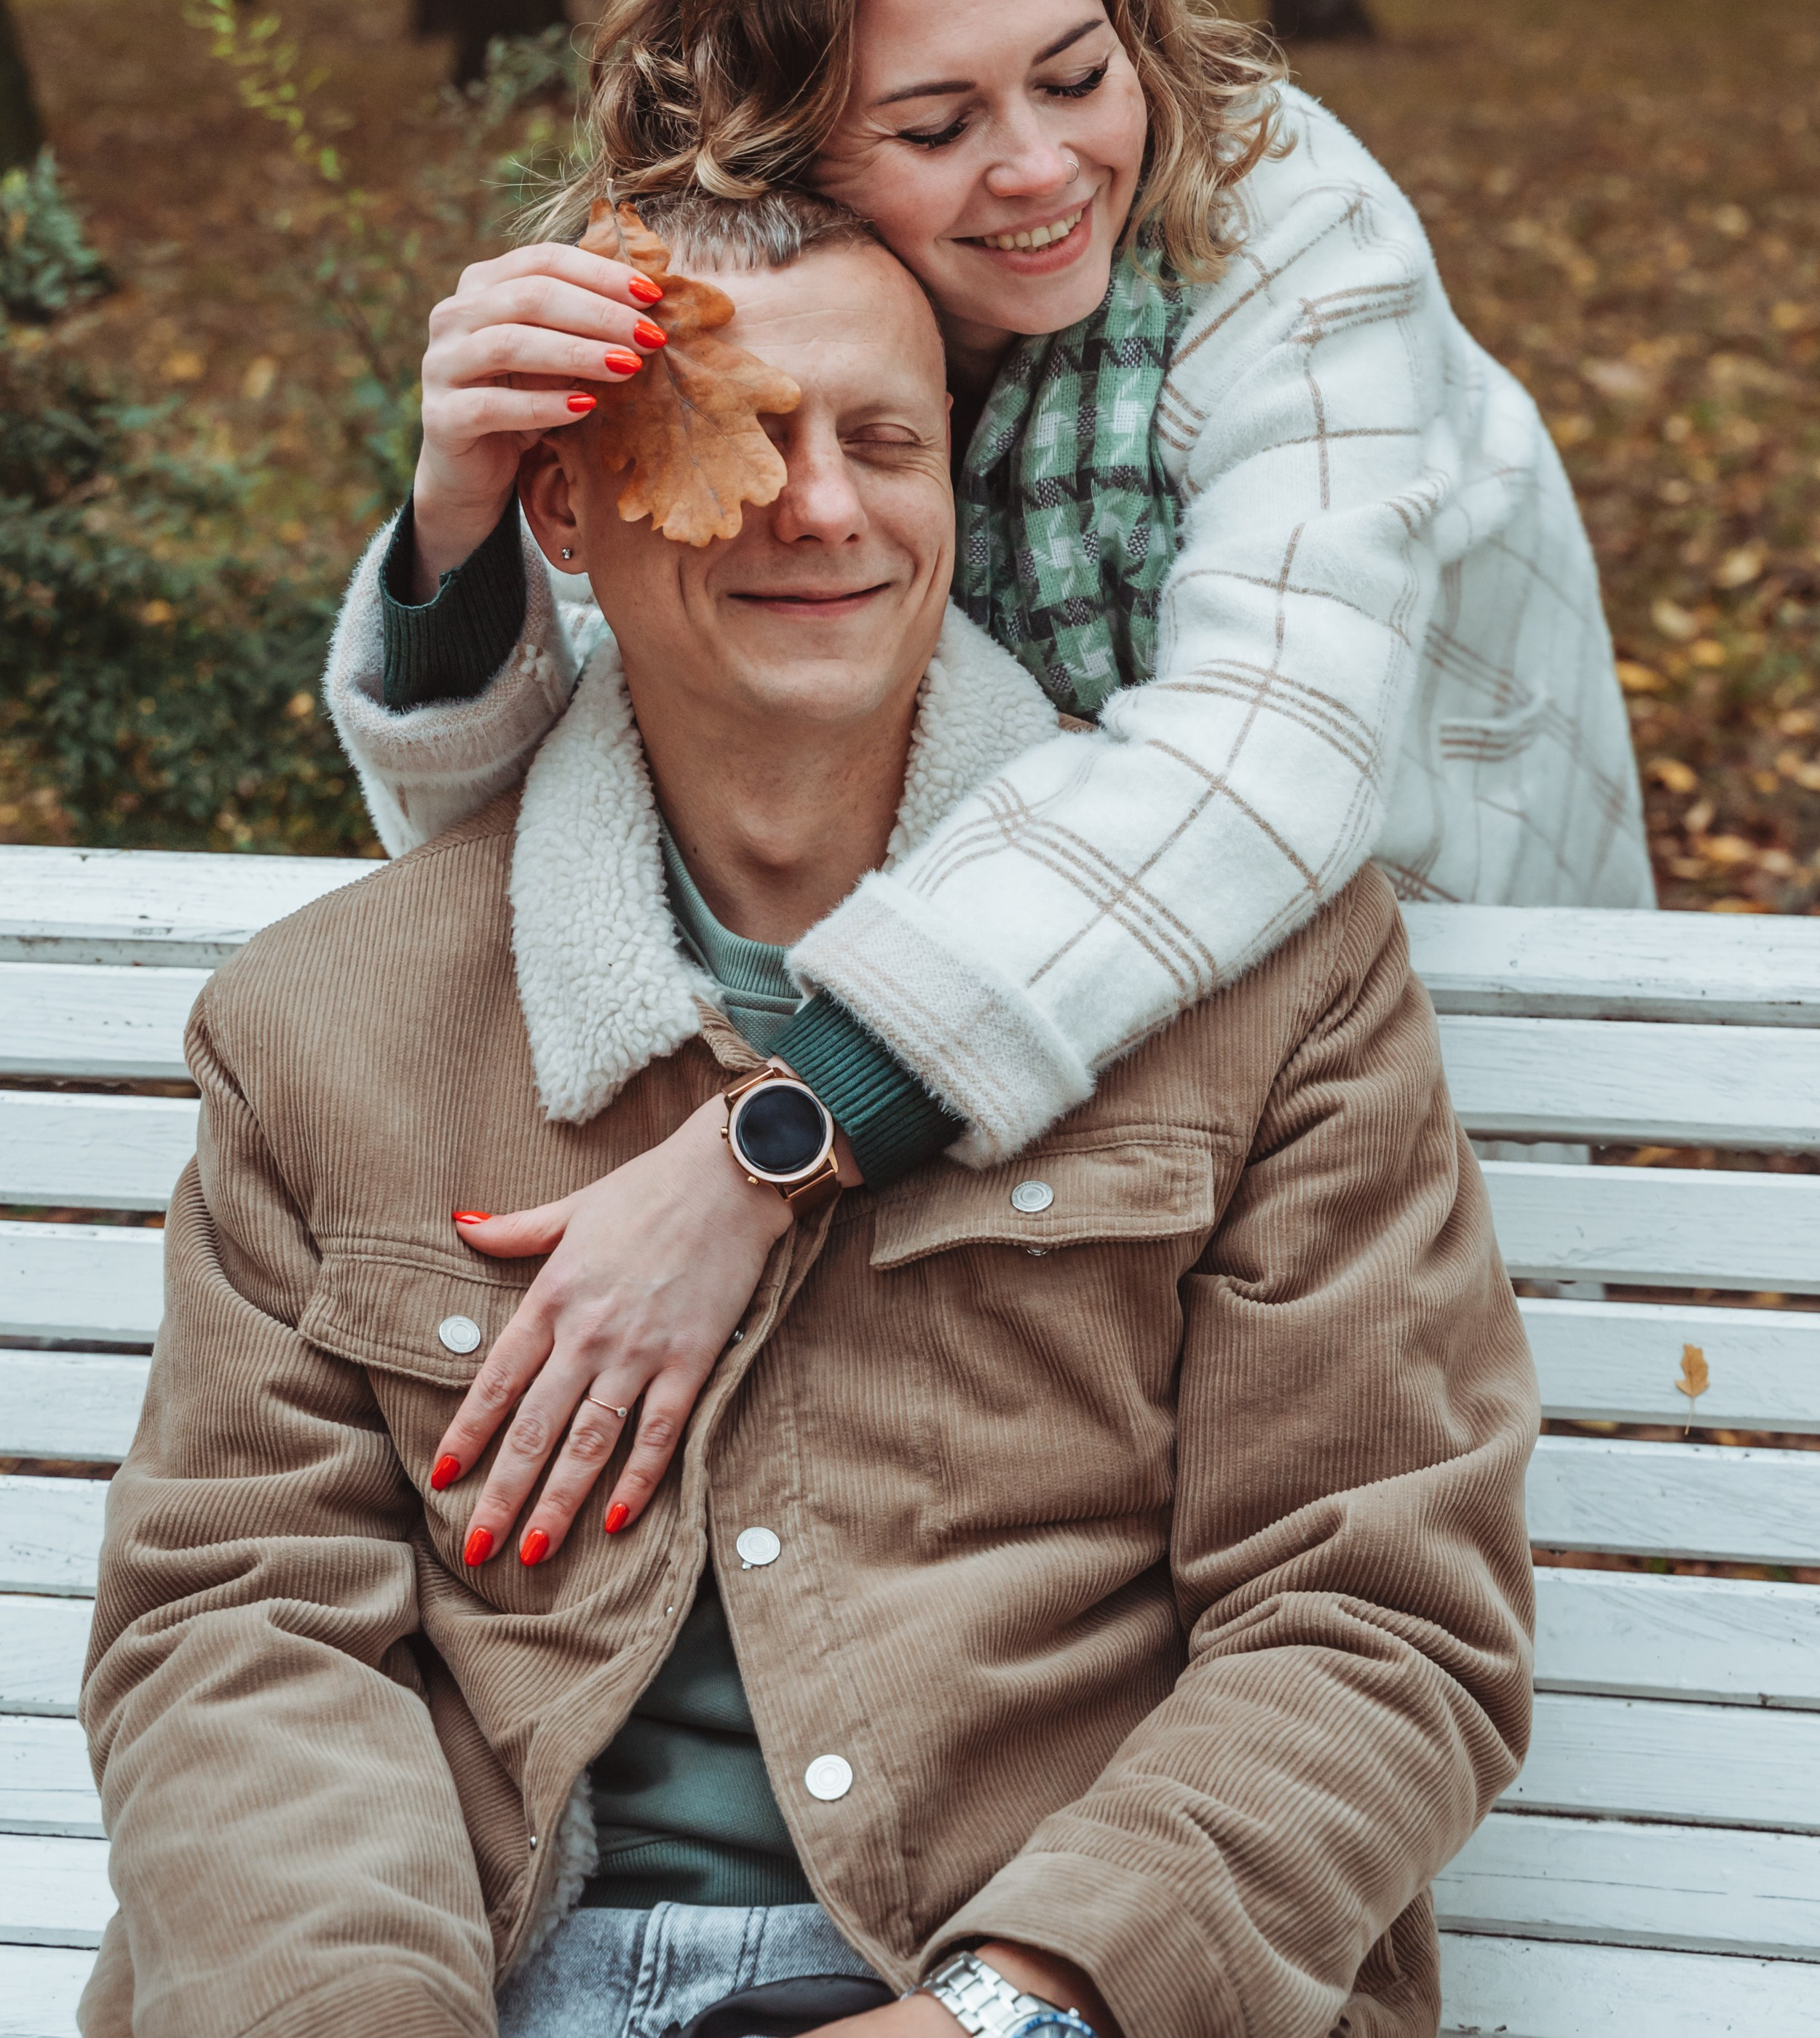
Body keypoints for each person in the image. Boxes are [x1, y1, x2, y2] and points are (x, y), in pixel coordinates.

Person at [84, 201, 1538, 2038]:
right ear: (562, 509)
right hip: (480, 1974)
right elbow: (240, 1631)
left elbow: (1376, 1615)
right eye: (740, 436)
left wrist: (1013, 2009)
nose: (822, 508)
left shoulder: (1263, 978)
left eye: (883, 439)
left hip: (1032, 1976)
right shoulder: (325, 1024)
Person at [324, 0, 1640, 1559]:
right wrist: (460, 515)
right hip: (997, 1064)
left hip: (1405, 1004)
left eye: (1075, 74)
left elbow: (1257, 756)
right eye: (936, 128)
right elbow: (564, 785)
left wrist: (770, 1142)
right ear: (785, 140)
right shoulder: (756, 301)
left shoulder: (1292, 243)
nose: (1038, 171)